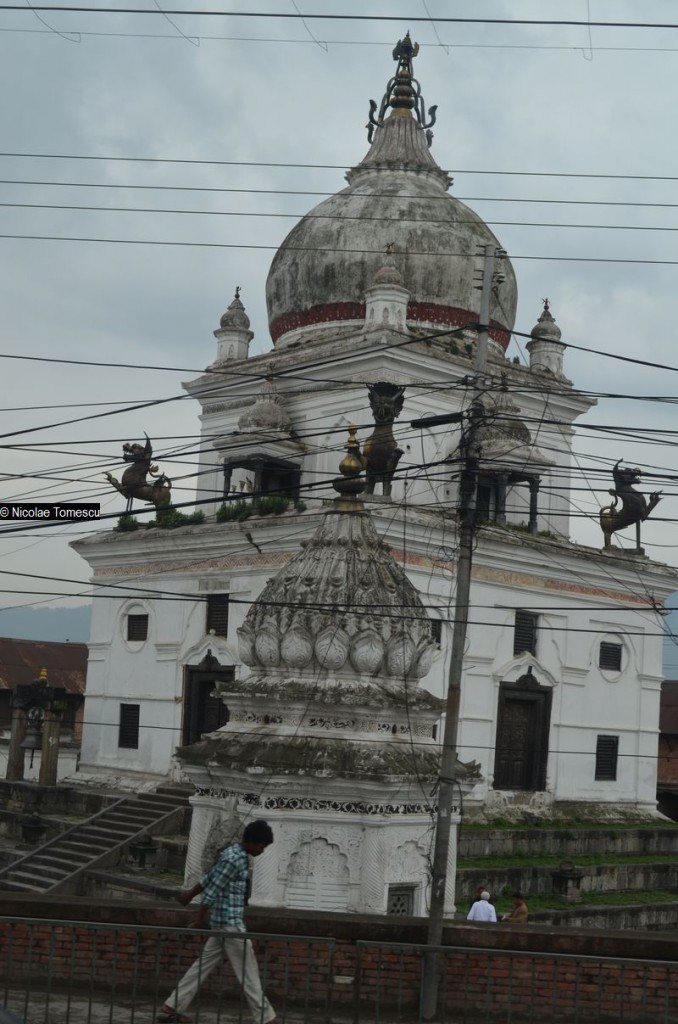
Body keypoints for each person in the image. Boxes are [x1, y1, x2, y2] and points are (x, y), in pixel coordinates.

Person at [158, 820, 277, 1024]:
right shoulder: (235, 860)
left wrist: (188, 894)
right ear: (250, 841)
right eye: (261, 845)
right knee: (249, 973)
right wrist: (198, 920)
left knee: (201, 966)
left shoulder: (231, 854)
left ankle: (173, 1005)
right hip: (231, 926)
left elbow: (208, 879)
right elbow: (211, 892)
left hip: (221, 925)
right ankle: (266, 1018)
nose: (262, 850)